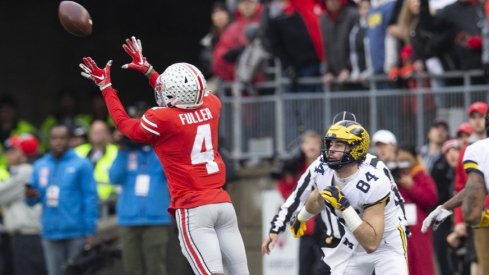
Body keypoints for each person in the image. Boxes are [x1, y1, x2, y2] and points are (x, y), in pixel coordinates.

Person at [79, 36, 249, 275]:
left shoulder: (163, 119)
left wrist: (106, 88)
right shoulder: (212, 104)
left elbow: (124, 125)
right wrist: (149, 71)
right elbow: (180, 96)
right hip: (222, 203)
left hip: (193, 208)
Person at [289, 120, 408, 274]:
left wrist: (344, 207)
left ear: (356, 148)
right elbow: (317, 198)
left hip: (385, 244)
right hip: (352, 244)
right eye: (330, 144)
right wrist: (301, 217)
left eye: (338, 145)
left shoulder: (375, 181)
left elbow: (372, 243)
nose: (331, 149)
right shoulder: (323, 169)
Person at [422, 104, 489, 275]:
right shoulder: (475, 149)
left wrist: (446, 208)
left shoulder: (478, 150)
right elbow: (470, 188)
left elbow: (473, 195)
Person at [26, 125, 98, 275]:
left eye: (62, 138)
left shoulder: (81, 164)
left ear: (70, 140)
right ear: (49, 141)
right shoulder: (41, 165)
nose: (58, 142)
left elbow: (90, 198)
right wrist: (30, 196)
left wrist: (90, 230)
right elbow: (32, 199)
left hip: (76, 232)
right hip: (50, 232)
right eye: (54, 138)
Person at [109, 137, 172, 275]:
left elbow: (173, 173)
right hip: (129, 219)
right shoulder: (126, 153)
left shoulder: (161, 152)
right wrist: (122, 151)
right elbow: (114, 177)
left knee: (156, 268)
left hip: (156, 219)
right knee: (132, 268)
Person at [0, 134, 46, 275]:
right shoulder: (24, 170)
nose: (8, 154)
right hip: (22, 237)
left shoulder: (26, 171)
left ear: (23, 152)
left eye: (14, 150)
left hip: (28, 236)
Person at [395, 145, 438, 275]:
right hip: (401, 229)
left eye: (406, 159)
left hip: (419, 230)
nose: (404, 163)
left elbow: (431, 199)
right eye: (400, 159)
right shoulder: (395, 176)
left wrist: (412, 187)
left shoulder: (420, 175)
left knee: (421, 266)